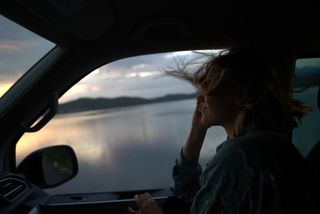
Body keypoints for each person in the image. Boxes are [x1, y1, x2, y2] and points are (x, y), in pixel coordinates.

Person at [128, 47, 312, 214]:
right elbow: (189, 194)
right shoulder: (262, 145)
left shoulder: (239, 156)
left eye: (208, 85)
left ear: (240, 95)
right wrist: (198, 130)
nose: (201, 97)